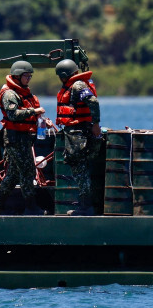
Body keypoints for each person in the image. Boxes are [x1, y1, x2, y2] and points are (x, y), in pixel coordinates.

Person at [0, 61, 46, 215]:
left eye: (30, 76)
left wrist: (40, 119)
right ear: (17, 76)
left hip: (23, 137)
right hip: (15, 139)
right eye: (26, 76)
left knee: (13, 174)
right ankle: (31, 207)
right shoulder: (9, 94)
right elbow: (13, 115)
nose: (29, 79)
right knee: (27, 172)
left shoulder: (22, 92)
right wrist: (33, 111)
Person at [54, 59, 102, 216]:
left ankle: (86, 207)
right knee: (81, 169)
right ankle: (86, 205)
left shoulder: (77, 85)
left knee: (79, 169)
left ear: (63, 75)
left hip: (78, 134)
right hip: (76, 132)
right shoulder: (77, 84)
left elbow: (93, 102)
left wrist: (96, 124)